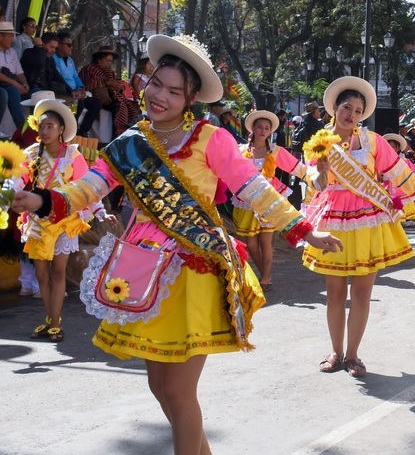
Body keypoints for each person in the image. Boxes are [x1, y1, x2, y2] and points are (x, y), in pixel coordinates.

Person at [10, 34, 343, 455]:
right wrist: (41, 200)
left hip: (193, 265)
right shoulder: (132, 142)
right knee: (159, 387)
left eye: (174, 91)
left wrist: (303, 229)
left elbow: (254, 188)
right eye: (156, 85)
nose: (160, 97)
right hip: (143, 268)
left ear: (191, 100)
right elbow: (89, 188)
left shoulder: (211, 138)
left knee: (180, 392)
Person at [303, 76, 415, 377]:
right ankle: (336, 352)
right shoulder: (317, 144)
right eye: (347, 107)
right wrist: (321, 171)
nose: (352, 115)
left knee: (362, 293)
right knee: (334, 293)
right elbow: (315, 186)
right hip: (334, 219)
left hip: (368, 219)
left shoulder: (373, 142)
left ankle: (353, 355)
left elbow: (401, 174)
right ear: (334, 108)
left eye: (358, 110)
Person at [6, 95, 113, 340]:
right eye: (41, 126)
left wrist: (100, 212)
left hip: (65, 219)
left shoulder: (72, 155)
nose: (44, 131)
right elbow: (16, 180)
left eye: (50, 126)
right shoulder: (31, 153)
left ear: (61, 129)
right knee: (41, 274)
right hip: (38, 221)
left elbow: (87, 187)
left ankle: (55, 323)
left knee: (58, 271)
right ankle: (49, 318)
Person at [231, 110, 308, 292]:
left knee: (266, 242)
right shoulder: (242, 151)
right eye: (260, 127)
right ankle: (264, 273)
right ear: (253, 129)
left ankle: (266, 278)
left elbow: (296, 167)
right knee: (251, 243)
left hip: (269, 197)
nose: (263, 131)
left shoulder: (274, 150)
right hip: (248, 198)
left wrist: (313, 177)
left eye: (266, 128)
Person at [52, 33, 97, 134]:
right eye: (68, 45)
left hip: (75, 91)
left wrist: (81, 87)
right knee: (78, 103)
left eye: (71, 45)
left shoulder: (71, 60)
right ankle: (71, 131)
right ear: (59, 45)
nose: (71, 48)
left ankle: (83, 131)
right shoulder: (53, 59)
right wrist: (73, 91)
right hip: (63, 90)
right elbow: (58, 78)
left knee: (96, 103)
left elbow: (75, 77)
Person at [384, 133, 415, 222]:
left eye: (394, 146)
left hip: (401, 194)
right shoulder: (381, 161)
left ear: (398, 148)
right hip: (386, 194)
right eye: (389, 146)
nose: (391, 148)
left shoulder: (405, 161)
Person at [0, 21, 29, 131]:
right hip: (5, 84)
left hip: (9, 84)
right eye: (10, 36)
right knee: (4, 93)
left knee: (13, 91)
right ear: (1, 36)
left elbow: (19, 72)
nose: (13, 39)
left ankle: (21, 130)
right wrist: (15, 83)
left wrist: (24, 83)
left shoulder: (12, 51)